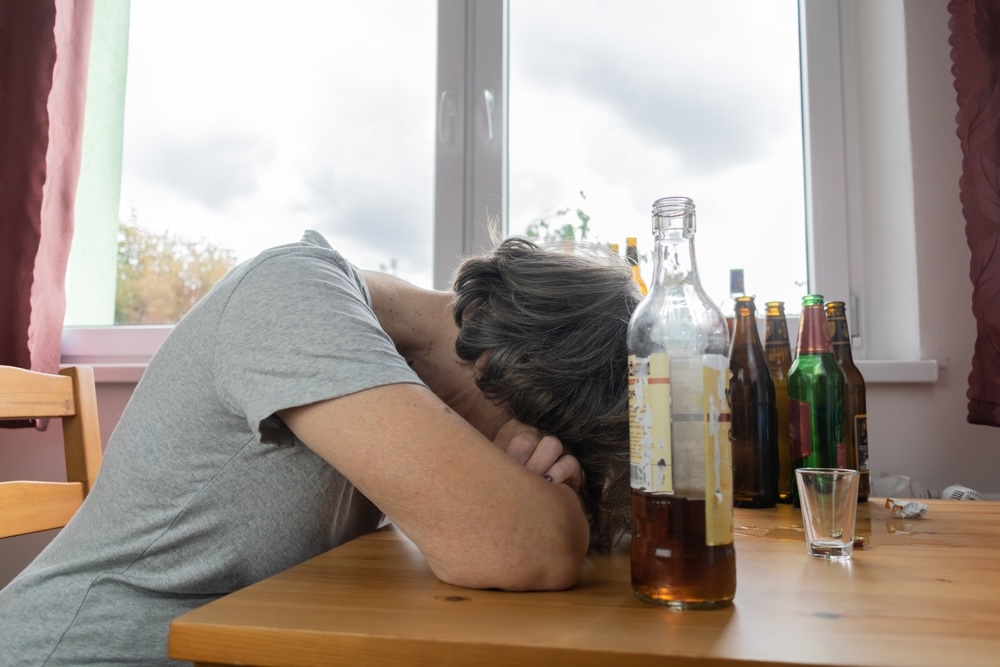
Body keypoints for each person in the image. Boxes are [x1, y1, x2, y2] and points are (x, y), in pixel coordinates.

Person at [0, 230, 640, 666]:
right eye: (541, 434)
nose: (532, 456)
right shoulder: (292, 295)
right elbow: (520, 548)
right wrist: (549, 515)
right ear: (499, 364)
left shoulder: (378, 368)